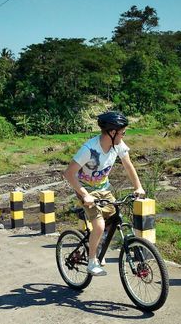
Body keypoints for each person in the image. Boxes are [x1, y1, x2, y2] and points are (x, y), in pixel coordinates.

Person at [63, 111, 145, 276]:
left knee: (115, 217)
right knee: (99, 225)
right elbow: (69, 174)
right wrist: (85, 195)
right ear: (112, 132)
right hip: (86, 190)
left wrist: (138, 187)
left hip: (104, 188)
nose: (123, 136)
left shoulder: (118, 145)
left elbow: (129, 166)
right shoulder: (89, 149)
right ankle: (92, 261)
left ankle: (96, 243)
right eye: (122, 133)